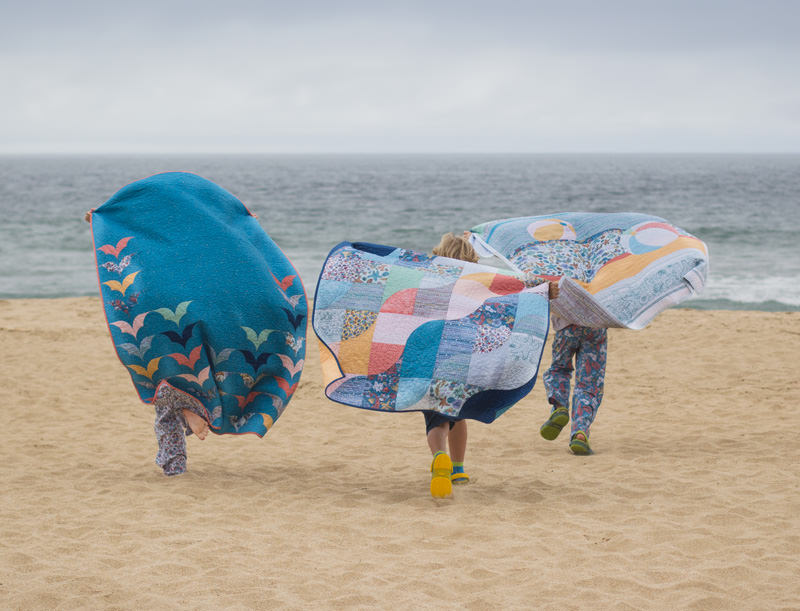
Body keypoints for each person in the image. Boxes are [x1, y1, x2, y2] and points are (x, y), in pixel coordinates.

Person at [427, 232, 559, 498]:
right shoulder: (479, 281)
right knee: (458, 414)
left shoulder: (432, 280)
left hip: (435, 362)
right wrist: (544, 289)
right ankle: (458, 469)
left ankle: (440, 457)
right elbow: (514, 286)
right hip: (467, 362)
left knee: (436, 418)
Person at [85, 210, 210, 476]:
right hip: (185, 306)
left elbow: (132, 229)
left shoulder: (153, 234)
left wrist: (102, 220)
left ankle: (180, 439)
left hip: (153, 306)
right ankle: (185, 415)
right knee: (182, 375)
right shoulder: (185, 234)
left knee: (163, 380)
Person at [539, 314, 607, 455]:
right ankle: (580, 433)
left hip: (566, 327)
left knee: (559, 369)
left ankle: (560, 406)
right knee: (589, 383)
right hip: (595, 327)